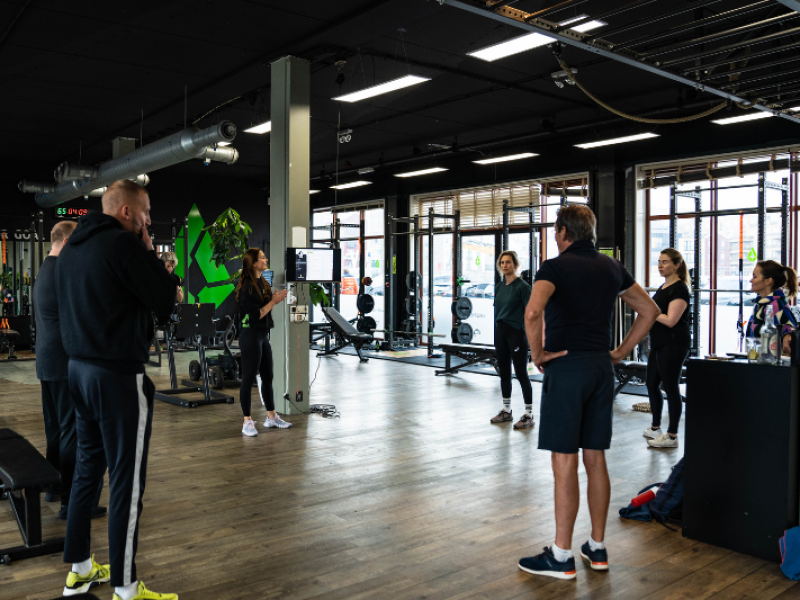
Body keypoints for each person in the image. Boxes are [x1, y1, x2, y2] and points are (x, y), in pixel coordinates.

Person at [519, 205, 659, 580]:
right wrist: (619, 352)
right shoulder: (613, 267)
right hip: (600, 368)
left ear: (564, 231)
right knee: (594, 458)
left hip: (567, 367)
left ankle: (561, 556)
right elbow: (649, 310)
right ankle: (597, 549)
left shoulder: (555, 266)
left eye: (554, 230)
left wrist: (537, 354)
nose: (554, 236)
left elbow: (533, 313)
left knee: (564, 462)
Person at [56, 180, 178, 600]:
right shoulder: (124, 247)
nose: (149, 222)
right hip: (116, 377)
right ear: (126, 212)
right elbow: (165, 303)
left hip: (78, 371)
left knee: (87, 471)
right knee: (128, 484)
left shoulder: (72, 247)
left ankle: (80, 570)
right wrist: (151, 255)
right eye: (145, 213)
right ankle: (126, 588)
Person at [33, 221, 106, 521]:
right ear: (65, 242)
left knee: (55, 429)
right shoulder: (62, 272)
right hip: (62, 363)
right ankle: (71, 503)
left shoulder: (44, 269)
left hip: (47, 361)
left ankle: (53, 485)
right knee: (71, 432)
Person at [237, 248, 289, 437]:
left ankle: (271, 416)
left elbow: (264, 310)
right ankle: (247, 422)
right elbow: (256, 314)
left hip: (262, 335)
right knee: (249, 378)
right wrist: (273, 302)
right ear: (253, 263)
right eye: (262, 258)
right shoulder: (247, 287)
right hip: (250, 335)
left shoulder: (262, 282)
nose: (266, 259)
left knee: (267, 376)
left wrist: (272, 300)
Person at [643, 249, 692, 449]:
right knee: (651, 383)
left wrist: (649, 312)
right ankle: (656, 427)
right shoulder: (664, 287)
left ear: (677, 265)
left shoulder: (680, 289)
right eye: (659, 262)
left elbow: (671, 320)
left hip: (674, 343)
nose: (660, 265)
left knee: (670, 386)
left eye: (665, 262)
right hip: (660, 341)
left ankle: (672, 436)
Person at [490, 250, 534, 429]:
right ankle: (506, 410)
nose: (504, 265)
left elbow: (531, 314)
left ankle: (529, 414)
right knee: (504, 372)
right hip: (500, 331)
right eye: (502, 262)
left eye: (508, 262)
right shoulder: (500, 287)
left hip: (516, 333)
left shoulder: (523, 287)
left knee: (521, 373)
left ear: (515, 264)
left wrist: (528, 335)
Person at [746, 259, 798, 356]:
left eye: (755, 277)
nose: (751, 280)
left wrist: (787, 336)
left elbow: (788, 330)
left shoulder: (775, 306)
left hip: (769, 366)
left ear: (768, 281)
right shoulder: (761, 304)